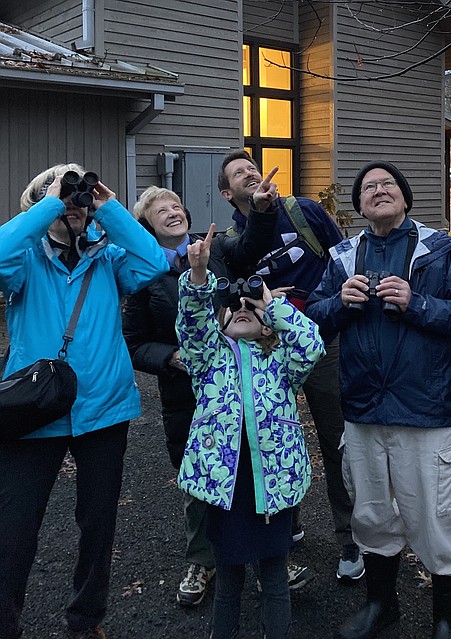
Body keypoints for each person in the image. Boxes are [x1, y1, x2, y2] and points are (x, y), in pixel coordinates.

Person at [305, 161, 451, 639]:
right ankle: (381, 606)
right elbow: (314, 320)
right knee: (371, 514)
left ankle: (446, 617)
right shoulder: (343, 255)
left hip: (424, 410)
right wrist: (337, 302)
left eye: (387, 185)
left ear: (405, 198)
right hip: (363, 410)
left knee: (432, 518)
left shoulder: (437, 249)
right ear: (359, 203)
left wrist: (417, 302)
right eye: (368, 187)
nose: (378, 191)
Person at [0, 164, 169, 639]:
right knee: (13, 530)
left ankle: (85, 620)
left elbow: (154, 262)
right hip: (32, 410)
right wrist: (51, 201)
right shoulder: (24, 259)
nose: (74, 202)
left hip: (102, 409)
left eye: (79, 194)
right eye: (61, 194)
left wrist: (107, 206)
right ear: (38, 206)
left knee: (98, 528)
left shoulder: (107, 256)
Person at [122, 175, 278, 607]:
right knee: (200, 478)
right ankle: (202, 559)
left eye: (176, 205)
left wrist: (262, 212)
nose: (173, 212)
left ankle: (269, 558)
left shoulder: (219, 249)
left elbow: (252, 247)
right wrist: (171, 358)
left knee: (253, 462)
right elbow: (133, 341)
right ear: (147, 225)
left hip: (240, 382)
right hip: (186, 392)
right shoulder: (144, 273)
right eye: (161, 210)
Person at [212, 150, 364, 582]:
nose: (251, 173)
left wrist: (330, 304)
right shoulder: (231, 241)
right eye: (239, 173)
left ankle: (348, 538)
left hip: (323, 342)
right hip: (267, 351)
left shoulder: (304, 211)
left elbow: (344, 258)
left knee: (336, 442)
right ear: (227, 193)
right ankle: (285, 525)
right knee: (269, 439)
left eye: (252, 167)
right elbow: (232, 298)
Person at [175, 222, 325, 639]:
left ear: (267, 327)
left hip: (271, 488)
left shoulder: (280, 362)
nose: (242, 308)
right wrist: (201, 277)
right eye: (233, 308)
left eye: (251, 310)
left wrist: (271, 304)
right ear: (220, 324)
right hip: (226, 487)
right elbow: (192, 326)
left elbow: (311, 344)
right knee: (229, 580)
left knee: (274, 576)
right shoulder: (207, 361)